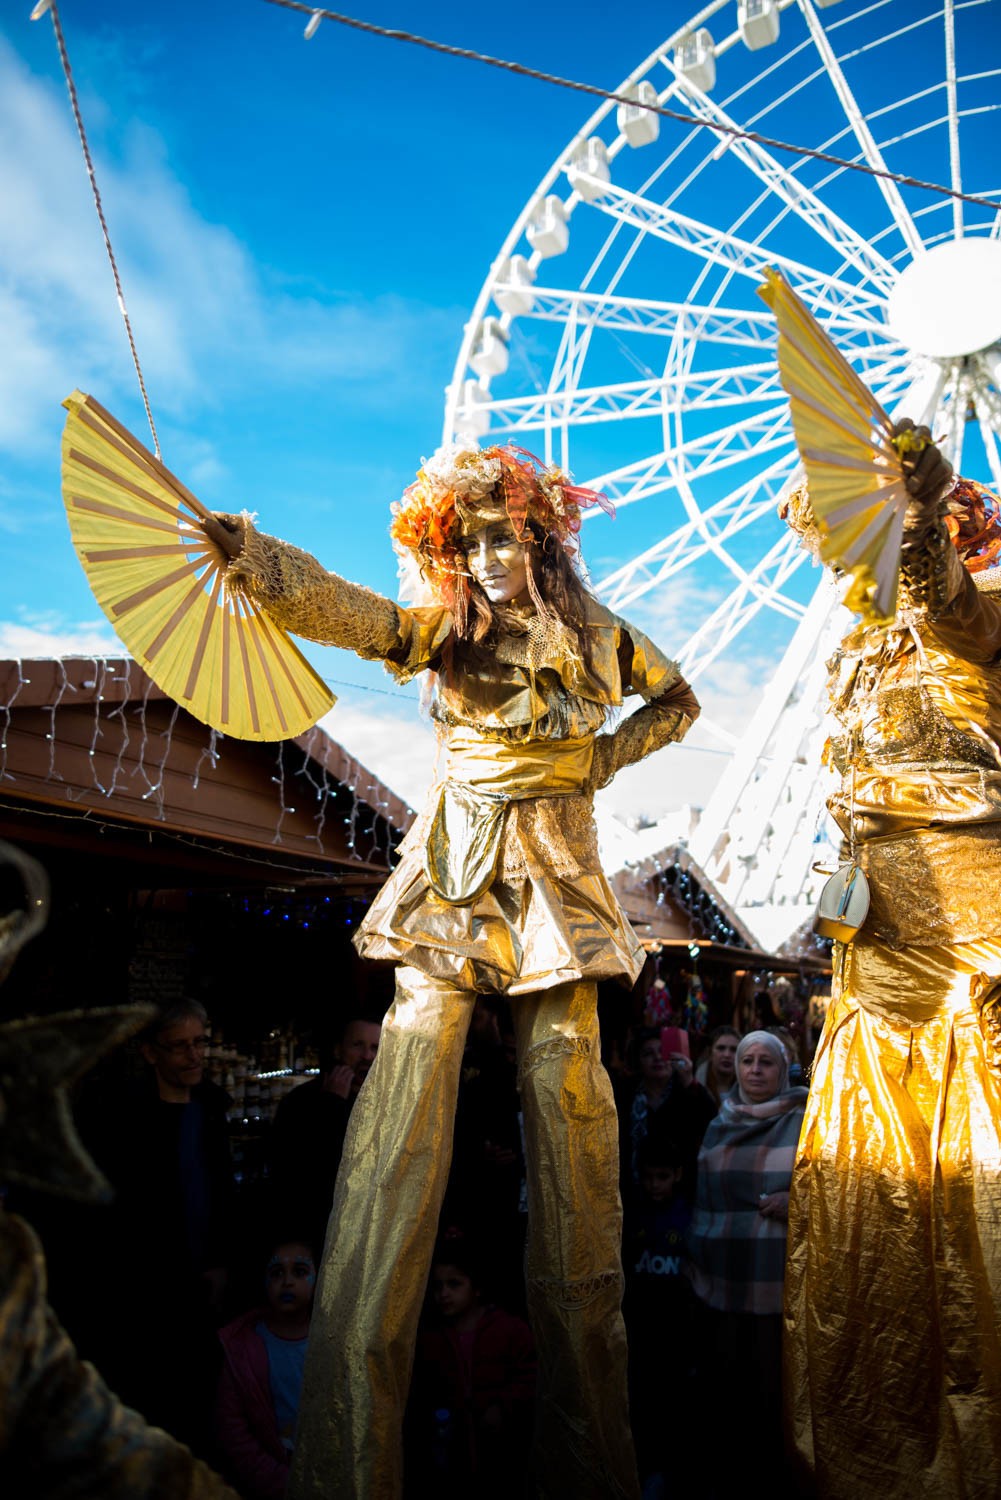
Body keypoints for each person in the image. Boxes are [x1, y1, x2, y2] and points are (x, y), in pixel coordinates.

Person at [204, 441, 701, 1500]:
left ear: (536, 545)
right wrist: (258, 562)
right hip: (454, 879)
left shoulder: (603, 638)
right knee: (397, 1132)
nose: (481, 563)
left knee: (573, 1130)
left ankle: (588, 1466)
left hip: (559, 891)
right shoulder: (446, 638)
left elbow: (677, 702)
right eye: (464, 547)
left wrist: (595, 762)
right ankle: (345, 1467)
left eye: (498, 542)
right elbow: (362, 619)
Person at [781, 428, 1001, 1497]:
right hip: (874, 966)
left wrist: (915, 522)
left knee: (979, 1202)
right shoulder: (853, 653)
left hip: (974, 960)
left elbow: (945, 599)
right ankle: (876, 1443)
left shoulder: (982, 615)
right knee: (872, 1213)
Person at [72, 1000, 235, 1451]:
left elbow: (220, 1193)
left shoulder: (210, 1110)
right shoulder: (123, 1119)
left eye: (199, 1043)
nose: (193, 1055)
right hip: (146, 1289)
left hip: (206, 1282)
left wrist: (220, 1261)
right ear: (150, 1053)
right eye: (179, 1046)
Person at [687, 1030, 807, 1487]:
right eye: (747, 1061)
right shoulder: (721, 1120)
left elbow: (832, 1193)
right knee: (726, 1390)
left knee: (769, 1392)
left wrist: (795, 1200)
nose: (755, 1071)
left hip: (776, 1287)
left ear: (783, 1068)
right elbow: (704, 1200)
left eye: (766, 1063)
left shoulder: (805, 1119)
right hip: (720, 1278)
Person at [409, 1235, 536, 1498]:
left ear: (476, 1287)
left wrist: (503, 1406)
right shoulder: (430, 1340)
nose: (443, 1293)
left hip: (504, 1455)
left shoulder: (509, 1330)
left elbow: (532, 1376)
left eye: (454, 1284)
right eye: (437, 1286)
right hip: (449, 1457)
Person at [216, 1237, 318, 1499]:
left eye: (299, 1271)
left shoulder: (334, 1343)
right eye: (276, 1273)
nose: (287, 1281)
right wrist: (282, 1483)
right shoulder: (241, 1349)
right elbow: (234, 1433)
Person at [621, 1135, 695, 1497]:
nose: (654, 1185)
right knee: (641, 1401)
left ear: (678, 1175)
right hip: (639, 1326)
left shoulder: (688, 1216)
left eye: (662, 1177)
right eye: (649, 1177)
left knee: (675, 1403)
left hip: (676, 1329)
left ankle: (674, 1474)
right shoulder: (632, 1213)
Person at [269, 1015, 381, 1247]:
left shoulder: (386, 1102)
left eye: (375, 1047)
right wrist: (332, 1106)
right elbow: (299, 1172)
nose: (367, 1056)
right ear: (338, 1050)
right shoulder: (301, 1102)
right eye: (357, 1045)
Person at [618, 1027, 717, 1202]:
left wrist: (688, 1080)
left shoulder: (685, 1091)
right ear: (638, 1061)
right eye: (648, 1053)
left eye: (663, 1051)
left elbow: (711, 1119)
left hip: (681, 1192)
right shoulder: (626, 1094)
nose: (657, 1058)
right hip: (633, 1190)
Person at [693, 1025, 739, 1107]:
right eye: (721, 1048)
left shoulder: (749, 1090)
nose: (727, 1055)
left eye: (733, 1049)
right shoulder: (693, 1090)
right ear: (709, 1053)